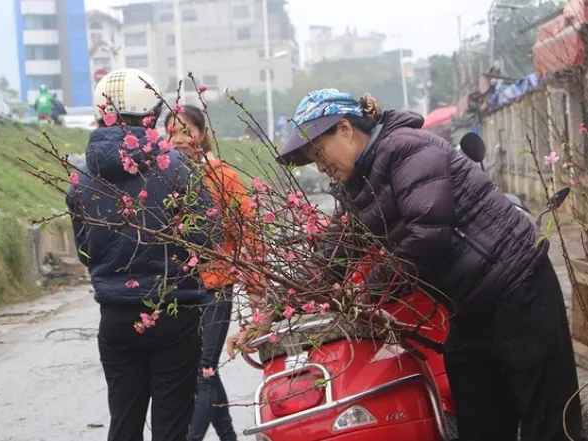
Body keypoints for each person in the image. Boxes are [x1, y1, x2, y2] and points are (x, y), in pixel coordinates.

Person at [231, 88, 583, 441]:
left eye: (319, 152)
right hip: (468, 307)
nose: (321, 166)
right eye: (312, 160)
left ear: (345, 128)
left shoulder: (409, 150)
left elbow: (428, 238)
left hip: (519, 287)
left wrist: (365, 294)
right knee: (481, 420)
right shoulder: (359, 189)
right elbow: (328, 262)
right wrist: (267, 318)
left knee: (549, 420)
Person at [66, 69, 219, 441]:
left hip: (115, 317)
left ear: (102, 115)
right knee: (171, 428)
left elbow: (86, 252)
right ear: (151, 116)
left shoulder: (81, 179)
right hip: (175, 314)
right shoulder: (179, 169)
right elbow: (209, 237)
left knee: (124, 422)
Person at [165, 105, 263, 441]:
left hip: (217, 283)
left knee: (204, 370)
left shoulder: (222, 176)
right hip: (183, 288)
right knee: (200, 368)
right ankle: (229, 437)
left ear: (202, 134)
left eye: (184, 130)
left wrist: (256, 294)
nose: (177, 139)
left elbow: (248, 235)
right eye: (171, 133)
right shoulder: (165, 179)